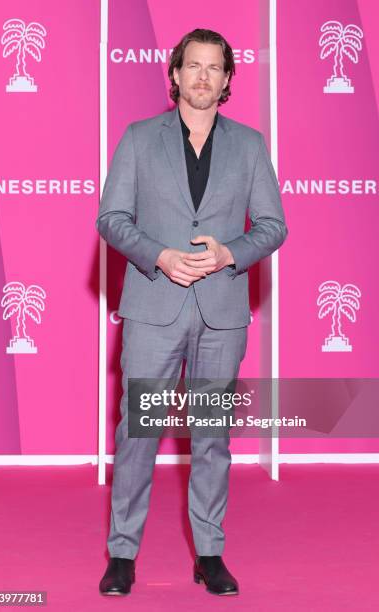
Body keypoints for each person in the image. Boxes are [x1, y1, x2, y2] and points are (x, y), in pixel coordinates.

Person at [96, 28, 287, 596]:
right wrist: (158, 255)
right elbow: (111, 218)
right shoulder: (136, 139)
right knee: (139, 434)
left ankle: (209, 554)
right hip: (155, 308)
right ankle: (122, 553)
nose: (203, 76)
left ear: (228, 80)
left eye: (214, 68)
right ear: (175, 74)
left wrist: (233, 253)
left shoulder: (250, 146)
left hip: (222, 312)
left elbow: (274, 226)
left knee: (212, 437)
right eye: (193, 66)